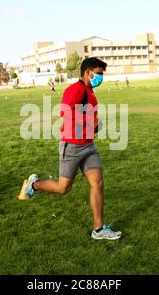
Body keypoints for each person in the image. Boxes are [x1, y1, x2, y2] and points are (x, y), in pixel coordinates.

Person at [18, 58, 122, 240]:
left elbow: (88, 120)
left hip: (89, 145)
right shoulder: (74, 90)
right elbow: (65, 112)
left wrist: (96, 126)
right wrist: (90, 121)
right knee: (63, 188)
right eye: (99, 73)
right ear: (88, 72)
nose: (101, 77)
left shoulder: (90, 93)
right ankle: (33, 185)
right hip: (72, 146)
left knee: (97, 183)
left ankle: (98, 230)